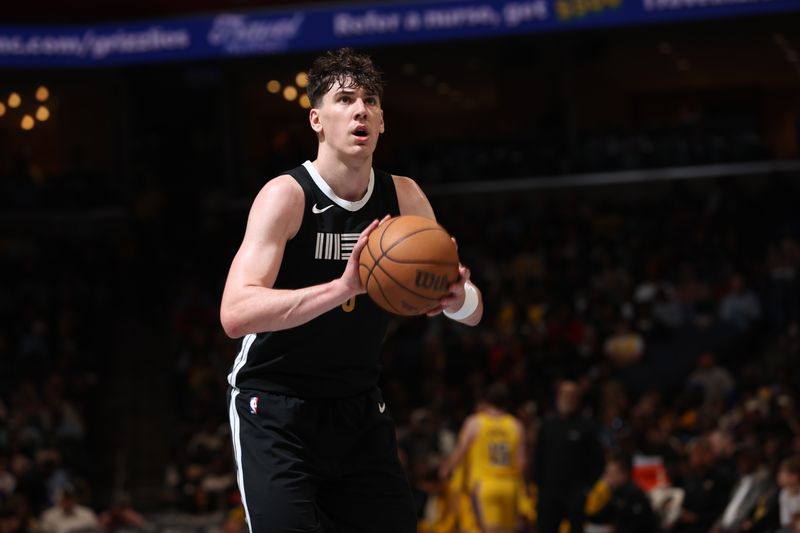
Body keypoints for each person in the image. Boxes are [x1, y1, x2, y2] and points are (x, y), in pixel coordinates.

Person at [219, 48, 484, 533]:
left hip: (358, 407)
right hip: (275, 408)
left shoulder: (404, 195)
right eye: (345, 99)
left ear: (382, 122)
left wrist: (456, 297)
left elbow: (473, 311)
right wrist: (344, 285)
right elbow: (235, 312)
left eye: (371, 100)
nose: (360, 109)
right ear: (317, 119)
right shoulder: (287, 195)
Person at [438, 382, 526, 533]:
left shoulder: (475, 423)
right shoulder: (515, 425)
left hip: (484, 485)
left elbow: (461, 450)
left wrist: (446, 469)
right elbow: (522, 463)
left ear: (487, 400)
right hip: (509, 486)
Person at [534, 380, 605, 533]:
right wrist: (539, 487)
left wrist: (587, 488)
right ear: (558, 396)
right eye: (565, 394)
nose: (568, 399)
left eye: (572, 395)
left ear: (578, 399)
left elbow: (598, 460)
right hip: (549, 493)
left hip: (575, 494)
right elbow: (538, 458)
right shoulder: (547, 426)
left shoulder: (587, 427)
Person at [584, 454, 656, 533]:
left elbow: (638, 525)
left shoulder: (634, 494)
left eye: (612, 474)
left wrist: (615, 530)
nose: (608, 478)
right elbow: (601, 516)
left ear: (624, 474)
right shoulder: (616, 493)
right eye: (607, 474)